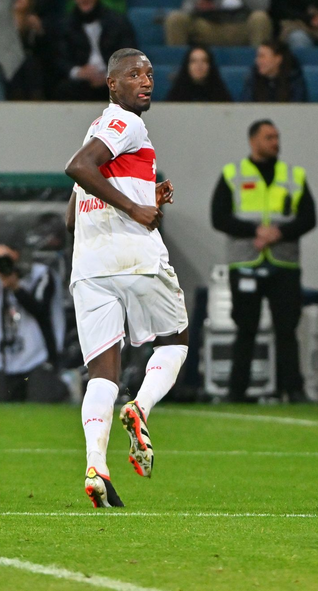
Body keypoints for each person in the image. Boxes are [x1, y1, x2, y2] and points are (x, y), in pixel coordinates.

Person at [64, 48, 190, 508]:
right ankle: (141, 407)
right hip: (134, 257)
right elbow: (77, 167)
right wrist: (137, 208)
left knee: (102, 373)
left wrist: (142, 192)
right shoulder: (125, 122)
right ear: (111, 85)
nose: (146, 80)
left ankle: (96, 465)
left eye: (150, 73)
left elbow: (71, 221)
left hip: (90, 266)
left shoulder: (98, 129)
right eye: (134, 74)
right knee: (175, 338)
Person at [210, 119, 316, 403]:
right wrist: (255, 231)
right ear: (253, 141)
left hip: (284, 264)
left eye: (277, 137)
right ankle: (237, 391)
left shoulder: (293, 175)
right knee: (246, 328)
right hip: (246, 262)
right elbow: (219, 216)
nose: (275, 142)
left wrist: (278, 233)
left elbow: (309, 218)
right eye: (269, 137)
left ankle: (292, 390)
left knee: (286, 329)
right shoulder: (233, 174)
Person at [0, 242, 65, 402]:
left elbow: (41, 310)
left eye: (5, 258)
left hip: (39, 355)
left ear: (17, 255)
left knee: (39, 405)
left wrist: (16, 287)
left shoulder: (40, 274)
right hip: (7, 357)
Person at [54, 0, 136, 102]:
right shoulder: (65, 26)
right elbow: (60, 58)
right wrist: (79, 72)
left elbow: (129, 56)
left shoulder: (118, 22)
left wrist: (109, 75)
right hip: (79, 83)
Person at [165, 0, 272, 48]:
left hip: (242, 27)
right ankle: (179, 72)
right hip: (210, 27)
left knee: (260, 18)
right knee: (175, 19)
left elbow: (262, 5)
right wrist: (198, 6)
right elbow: (187, 8)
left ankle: (260, 70)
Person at [240, 40, 307, 102]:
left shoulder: (294, 78)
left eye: (262, 56)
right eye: (257, 56)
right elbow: (247, 105)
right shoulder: (253, 77)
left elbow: (297, 106)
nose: (257, 61)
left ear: (278, 59)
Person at [166, 45, 232, 102]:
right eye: (193, 61)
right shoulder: (176, 94)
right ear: (187, 65)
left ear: (210, 66)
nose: (199, 66)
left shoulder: (221, 94)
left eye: (204, 61)